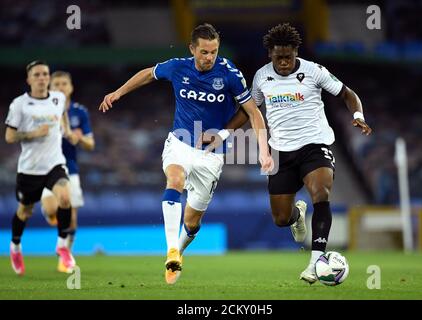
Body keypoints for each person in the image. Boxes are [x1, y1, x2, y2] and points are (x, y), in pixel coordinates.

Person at [99, 23, 274, 285]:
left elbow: (253, 112)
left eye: (213, 51)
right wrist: (118, 92)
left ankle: (178, 251)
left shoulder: (229, 74)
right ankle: (171, 249)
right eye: (204, 52)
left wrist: (263, 150)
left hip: (211, 154)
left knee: (192, 223)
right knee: (175, 180)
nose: (209, 57)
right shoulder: (178, 66)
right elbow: (148, 74)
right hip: (180, 142)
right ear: (192, 48)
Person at [201, 23, 372, 284]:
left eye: (288, 57)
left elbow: (348, 94)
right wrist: (223, 133)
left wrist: (357, 115)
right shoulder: (260, 77)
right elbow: (249, 111)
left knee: (321, 193)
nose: (283, 62)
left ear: (295, 53)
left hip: (315, 145)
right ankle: (297, 215)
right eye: (278, 57)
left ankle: (315, 263)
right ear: (270, 53)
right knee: (281, 219)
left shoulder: (314, 71)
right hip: (282, 152)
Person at [5, 60, 77, 276]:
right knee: (25, 210)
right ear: (29, 79)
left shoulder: (58, 98)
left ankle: (62, 246)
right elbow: (9, 136)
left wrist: (66, 130)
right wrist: (33, 134)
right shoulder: (19, 104)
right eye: (36, 75)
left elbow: (62, 115)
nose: (42, 78)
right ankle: (15, 247)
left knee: (65, 197)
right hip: (29, 169)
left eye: (45, 74)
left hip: (54, 164)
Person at [40, 71, 95, 273]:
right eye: (57, 84)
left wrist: (78, 139)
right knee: (53, 209)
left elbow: (90, 143)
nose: (61, 87)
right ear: (50, 88)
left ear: (71, 87)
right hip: (46, 168)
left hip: (70, 169)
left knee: (71, 219)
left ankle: (64, 258)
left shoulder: (79, 112)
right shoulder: (41, 110)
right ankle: (49, 213)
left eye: (64, 83)